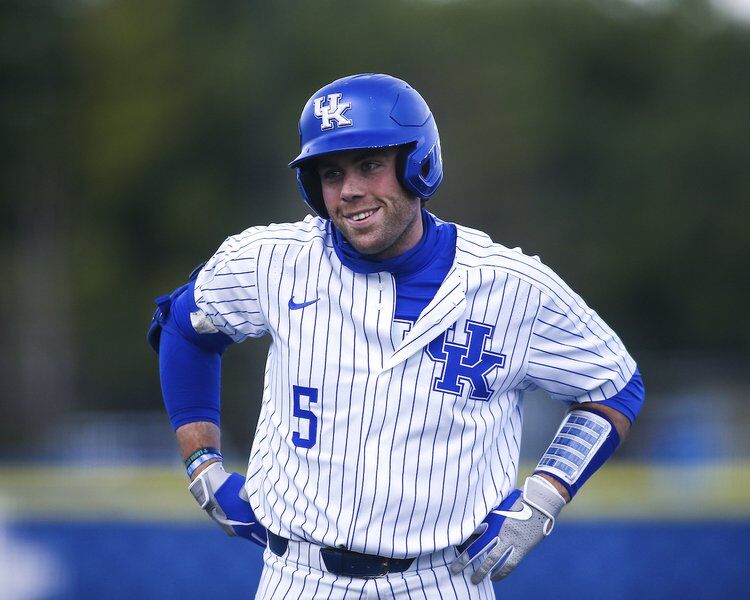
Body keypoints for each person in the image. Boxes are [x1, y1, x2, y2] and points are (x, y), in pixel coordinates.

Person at [148, 73, 645, 599]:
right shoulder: (273, 259)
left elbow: (613, 387)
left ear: (418, 164)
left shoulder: (513, 287)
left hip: (443, 580)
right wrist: (203, 464)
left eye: (369, 165)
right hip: (298, 577)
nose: (350, 190)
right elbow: (183, 328)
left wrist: (543, 499)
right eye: (330, 173)